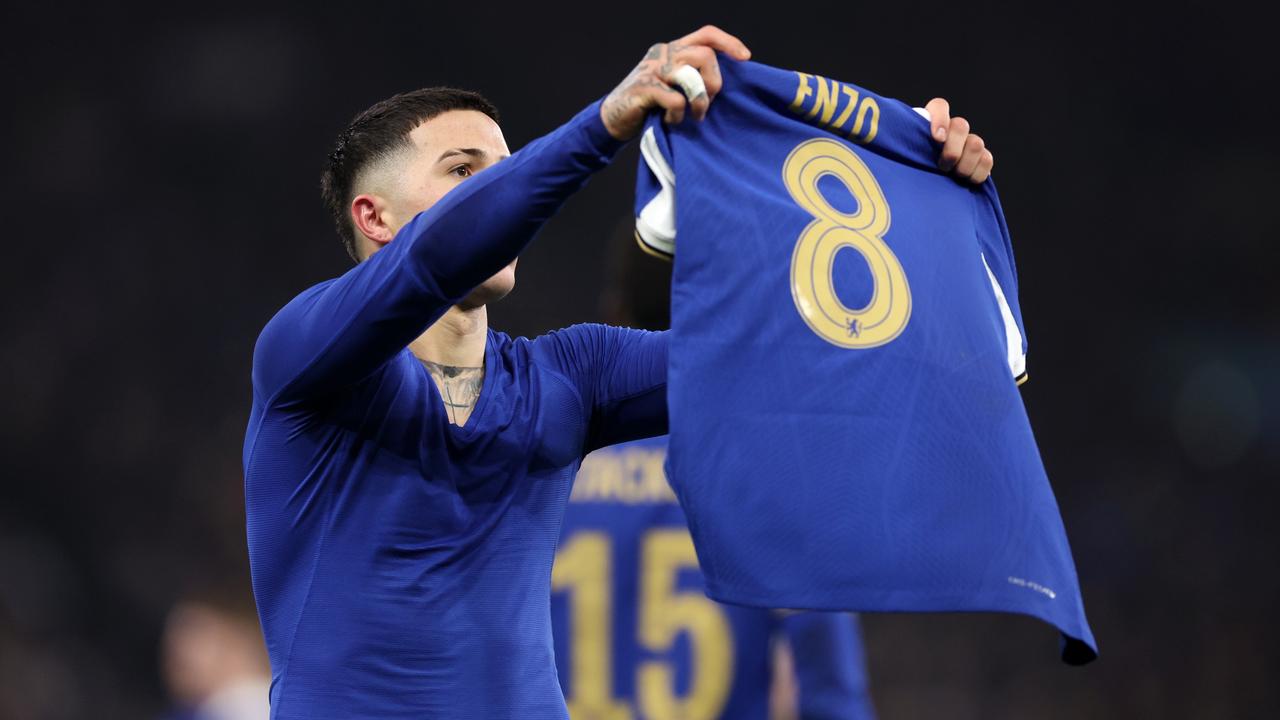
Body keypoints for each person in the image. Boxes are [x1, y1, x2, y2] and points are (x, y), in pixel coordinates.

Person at [243, 24, 994, 718]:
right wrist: (601, 126)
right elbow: (439, 256)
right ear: (374, 217)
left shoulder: (567, 376)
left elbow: (799, 346)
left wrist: (916, 208)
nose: (504, 194)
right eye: (463, 170)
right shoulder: (305, 360)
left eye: (506, 172)